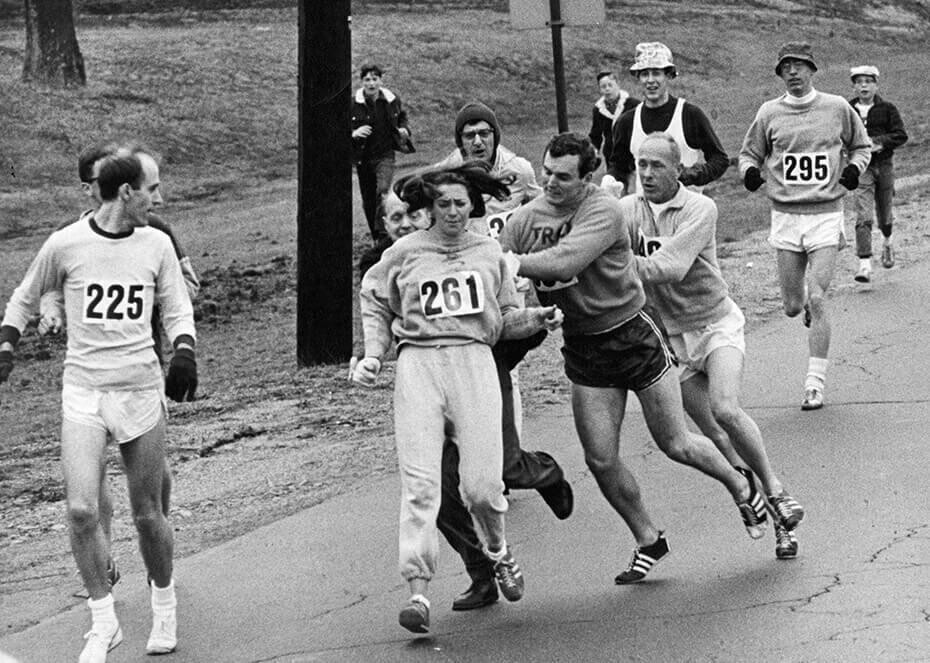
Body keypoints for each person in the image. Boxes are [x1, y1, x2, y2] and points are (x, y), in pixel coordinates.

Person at [500, 133, 767, 585]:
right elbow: (496, 268)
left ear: (587, 178)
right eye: (547, 172)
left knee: (675, 443)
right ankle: (648, 539)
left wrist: (511, 264)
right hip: (585, 347)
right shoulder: (525, 219)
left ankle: (740, 483)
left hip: (633, 335)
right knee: (600, 459)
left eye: (563, 177)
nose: (551, 183)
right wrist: (513, 302)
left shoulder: (604, 210)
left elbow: (566, 261)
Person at [0, 150, 198, 661]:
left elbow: (177, 306)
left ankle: (164, 604)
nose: (160, 199)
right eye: (152, 189)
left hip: (138, 390)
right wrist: (8, 341)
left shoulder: (156, 243)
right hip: (84, 390)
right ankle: (104, 620)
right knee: (81, 509)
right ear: (127, 192)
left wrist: (183, 351)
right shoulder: (66, 243)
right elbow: (25, 294)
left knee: (148, 513)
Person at [351, 162, 563, 634]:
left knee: (482, 487)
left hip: (473, 363)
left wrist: (536, 318)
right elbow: (373, 297)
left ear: (473, 206)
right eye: (442, 203)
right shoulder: (405, 252)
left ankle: (498, 551)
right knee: (422, 484)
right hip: (419, 366)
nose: (450, 211)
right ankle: (418, 591)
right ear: (429, 207)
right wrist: (373, 353)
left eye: (459, 204)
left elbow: (506, 316)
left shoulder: (489, 253)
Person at [628, 132, 805, 560]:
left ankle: (776, 491)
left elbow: (670, 267)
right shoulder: (626, 211)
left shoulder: (700, 208)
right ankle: (758, 505)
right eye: (641, 165)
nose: (647, 173)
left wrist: (614, 264)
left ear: (678, 170)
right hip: (671, 337)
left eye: (657, 166)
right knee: (716, 439)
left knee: (726, 409)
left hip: (714, 323)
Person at [38, 142, 201, 593]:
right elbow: (50, 282)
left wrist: (182, 295)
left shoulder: (154, 229)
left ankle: (157, 541)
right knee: (90, 481)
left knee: (153, 477)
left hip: (143, 363)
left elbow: (182, 282)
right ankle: (104, 558)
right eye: (93, 182)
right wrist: (51, 310)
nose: (99, 190)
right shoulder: (71, 235)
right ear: (89, 186)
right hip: (90, 372)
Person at [433, 102, 573, 611]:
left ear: (496, 135)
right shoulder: (446, 179)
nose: (476, 141)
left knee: (496, 461)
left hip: (509, 313)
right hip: (457, 334)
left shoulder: (518, 171)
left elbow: (544, 209)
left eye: (484, 132)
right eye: (468, 133)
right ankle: (481, 572)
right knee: (441, 485)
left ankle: (539, 470)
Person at [739, 41, 871, 411]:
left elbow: (862, 147)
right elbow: (750, 152)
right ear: (780, 74)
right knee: (794, 306)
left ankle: (815, 384)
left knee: (818, 296)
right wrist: (750, 172)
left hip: (826, 213)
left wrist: (853, 170)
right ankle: (807, 308)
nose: (793, 73)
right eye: (786, 68)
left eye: (799, 66)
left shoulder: (837, 107)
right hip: (786, 215)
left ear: (812, 69)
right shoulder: (769, 113)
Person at [604, 41, 729, 197]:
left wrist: (692, 174)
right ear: (638, 77)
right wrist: (610, 179)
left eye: (656, 73)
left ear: (668, 75)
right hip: (646, 213)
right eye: (644, 74)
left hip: (686, 213)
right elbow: (619, 166)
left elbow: (720, 159)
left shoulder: (689, 115)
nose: (650, 80)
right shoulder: (627, 121)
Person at [846, 65, 908, 282]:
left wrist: (880, 143)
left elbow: (901, 135)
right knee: (863, 214)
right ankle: (864, 264)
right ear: (853, 86)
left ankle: (888, 240)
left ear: (876, 85)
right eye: (859, 82)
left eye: (868, 81)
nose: (864, 85)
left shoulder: (888, 109)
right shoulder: (846, 109)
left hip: (884, 165)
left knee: (884, 214)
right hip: (860, 168)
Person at [351, 63, 415, 244]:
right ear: (361, 82)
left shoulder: (391, 99)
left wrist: (404, 130)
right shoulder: (352, 103)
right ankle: (376, 237)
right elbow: (339, 125)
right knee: (369, 199)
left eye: (374, 79)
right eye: (367, 80)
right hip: (363, 159)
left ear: (381, 80)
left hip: (385, 155)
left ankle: (383, 236)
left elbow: (402, 117)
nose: (371, 83)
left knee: (383, 192)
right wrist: (353, 133)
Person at [588, 70, 639, 167]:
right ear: (600, 90)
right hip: (611, 156)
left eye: (610, 85)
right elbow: (595, 135)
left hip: (631, 154)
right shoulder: (598, 110)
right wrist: (593, 152)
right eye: (603, 87)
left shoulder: (633, 104)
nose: (607, 89)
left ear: (617, 85)